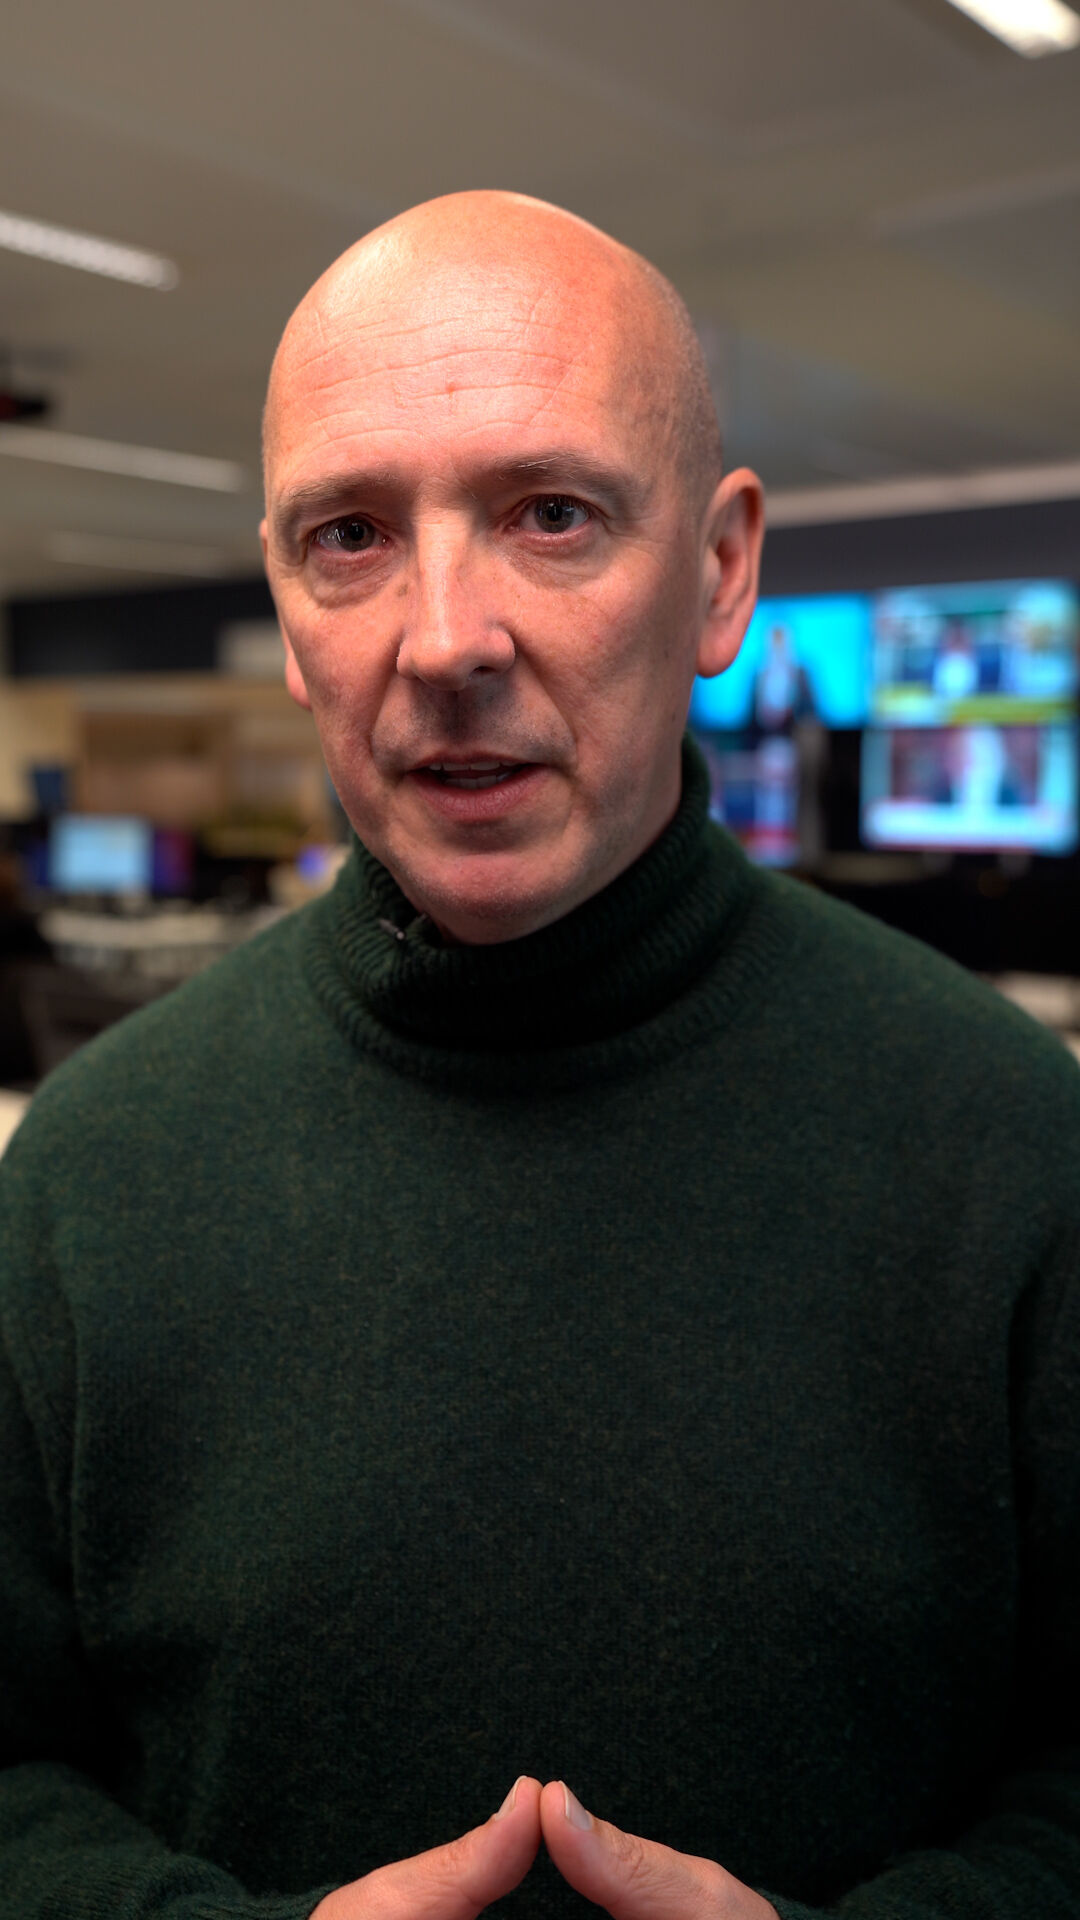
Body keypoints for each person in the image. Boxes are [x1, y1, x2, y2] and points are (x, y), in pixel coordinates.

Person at [1, 190, 1079, 1920]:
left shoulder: (1017, 1145)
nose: (445, 639)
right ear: (287, 605)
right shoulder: (86, 1173)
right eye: (351, 534)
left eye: (552, 515)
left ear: (720, 574)